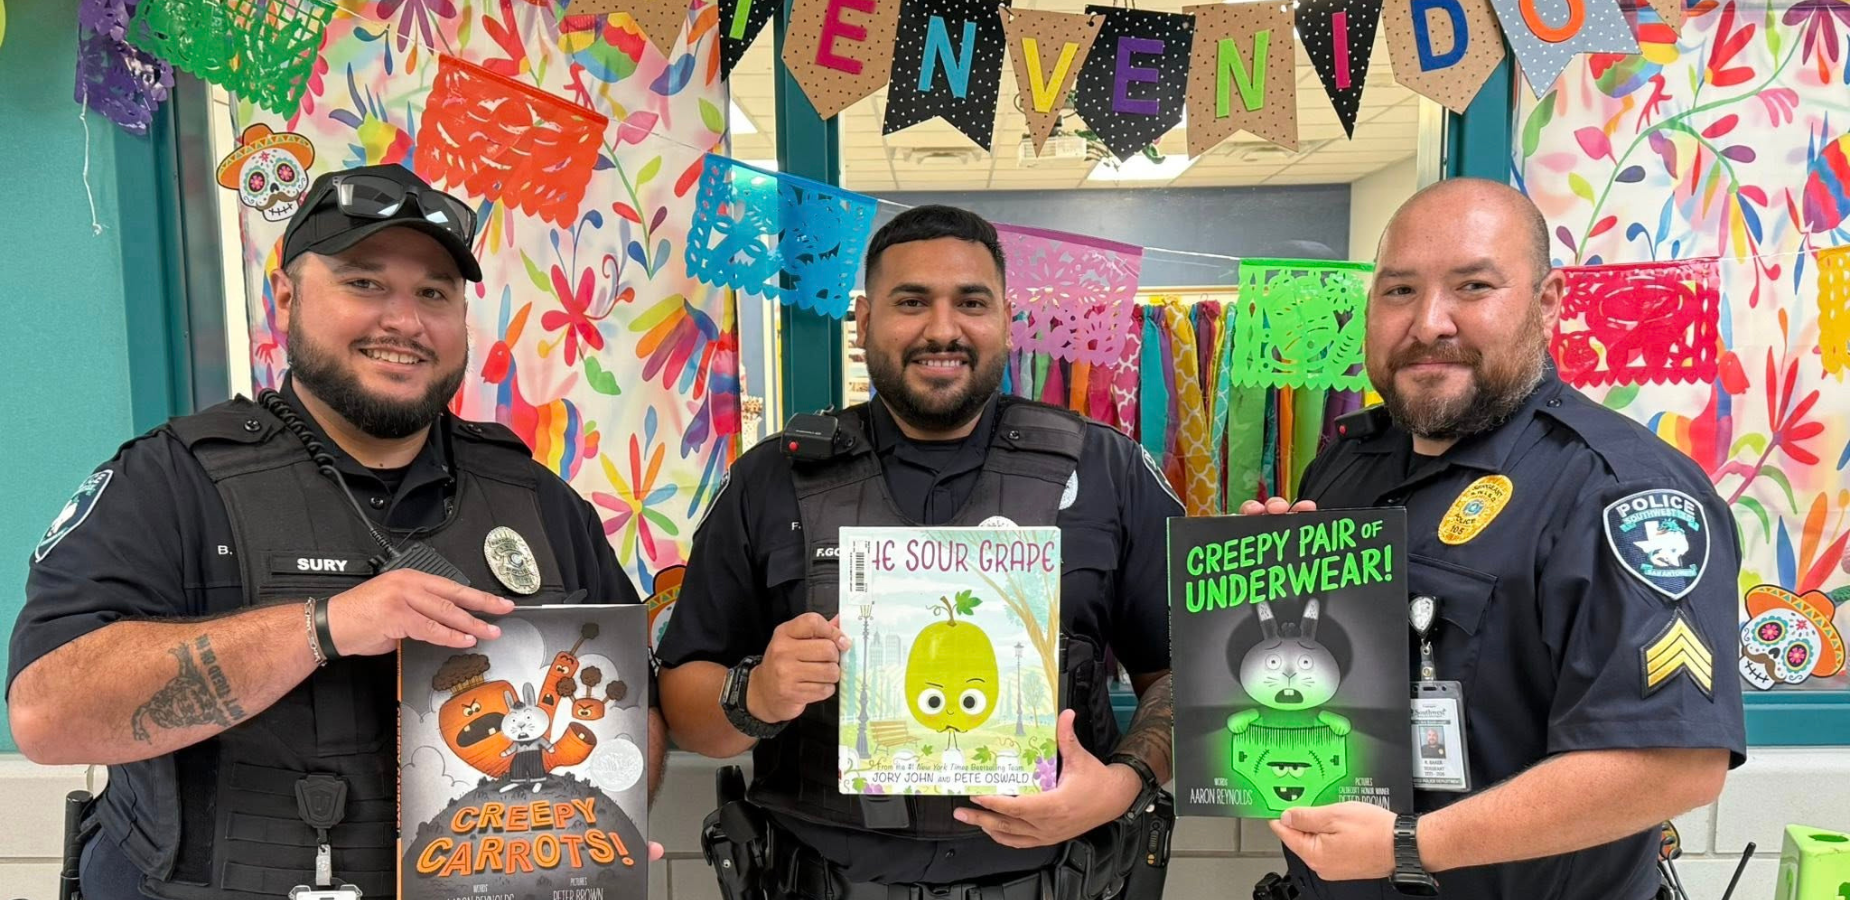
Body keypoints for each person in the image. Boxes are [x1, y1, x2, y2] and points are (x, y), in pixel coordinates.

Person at [6, 163, 665, 900]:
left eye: (434, 294)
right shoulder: (169, 484)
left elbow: (639, 708)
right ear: (285, 293)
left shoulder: (539, 502)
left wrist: (600, 821)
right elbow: (48, 716)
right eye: (365, 282)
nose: (405, 322)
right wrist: (325, 626)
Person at [656, 205, 1180, 899]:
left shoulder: (1106, 472)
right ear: (865, 320)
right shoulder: (772, 481)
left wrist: (1120, 786)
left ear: (1006, 317)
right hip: (818, 881)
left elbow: (1189, 673)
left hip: (1058, 880)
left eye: (971, 302)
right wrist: (755, 695)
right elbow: (684, 705)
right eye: (912, 302)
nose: (942, 329)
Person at [1244, 178, 1745, 899]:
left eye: (1472, 286)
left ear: (1547, 306)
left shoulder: (1620, 493)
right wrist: (1270, 596)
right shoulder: (1347, 462)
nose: (1429, 323)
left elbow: (1674, 761)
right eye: (1399, 292)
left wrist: (1412, 846)